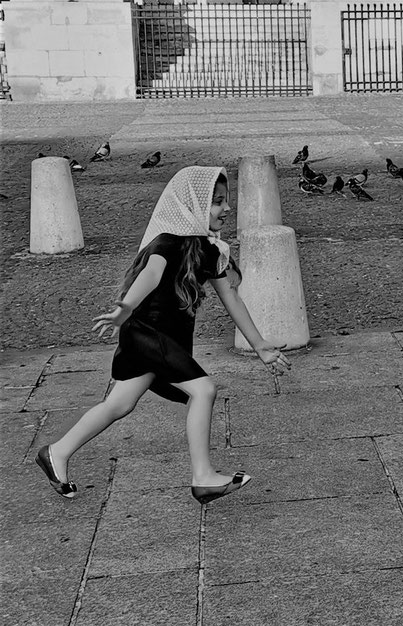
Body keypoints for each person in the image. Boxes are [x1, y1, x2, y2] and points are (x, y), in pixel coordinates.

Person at [35, 166, 291, 505]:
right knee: (204, 390)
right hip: (144, 332)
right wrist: (125, 309)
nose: (226, 209)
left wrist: (261, 346)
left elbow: (231, 298)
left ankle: (56, 452)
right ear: (192, 205)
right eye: (216, 202)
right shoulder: (166, 242)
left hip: (166, 340)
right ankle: (203, 477)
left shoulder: (210, 250)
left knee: (119, 403)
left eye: (226, 201)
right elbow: (151, 275)